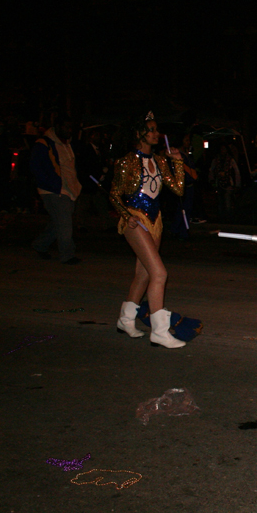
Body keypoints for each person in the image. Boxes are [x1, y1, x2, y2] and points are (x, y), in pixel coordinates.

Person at [109, 111, 188, 349]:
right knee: (160, 274)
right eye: (151, 130)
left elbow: (178, 190)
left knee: (144, 275)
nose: (156, 134)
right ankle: (160, 331)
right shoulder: (126, 161)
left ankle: (125, 321)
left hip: (155, 221)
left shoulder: (161, 161)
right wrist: (126, 216)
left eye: (156, 129)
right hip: (136, 220)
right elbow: (114, 195)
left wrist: (177, 161)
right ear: (139, 134)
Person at [31, 115, 82, 264]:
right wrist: (52, 185)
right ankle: (67, 255)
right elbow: (36, 168)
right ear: (57, 127)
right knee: (64, 223)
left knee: (58, 223)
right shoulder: (43, 144)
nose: (69, 130)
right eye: (66, 127)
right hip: (54, 191)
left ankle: (40, 245)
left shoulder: (67, 144)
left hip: (68, 189)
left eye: (70, 127)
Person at [208, 143, 240, 223]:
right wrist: (211, 180)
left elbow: (236, 172)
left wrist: (237, 184)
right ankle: (221, 217)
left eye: (224, 149)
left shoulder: (230, 160)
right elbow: (211, 170)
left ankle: (228, 218)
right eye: (221, 149)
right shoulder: (216, 160)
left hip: (228, 183)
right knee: (220, 201)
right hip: (219, 183)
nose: (223, 151)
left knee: (227, 201)